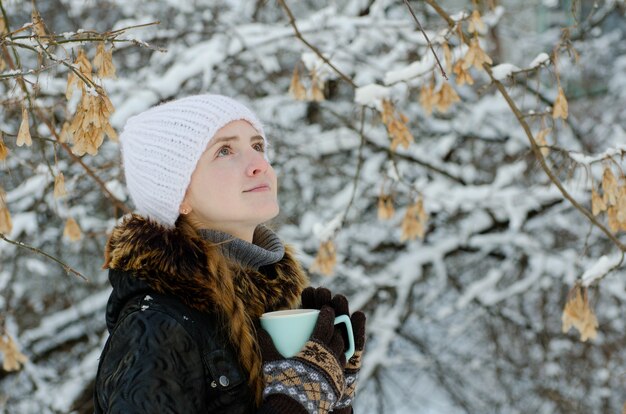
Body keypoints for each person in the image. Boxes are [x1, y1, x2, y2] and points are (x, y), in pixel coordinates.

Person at [93, 94, 366, 414]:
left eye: (258, 146)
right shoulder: (156, 324)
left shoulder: (269, 306)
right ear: (178, 194)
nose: (259, 165)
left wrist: (333, 399)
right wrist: (290, 406)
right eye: (225, 151)